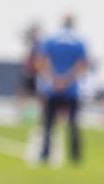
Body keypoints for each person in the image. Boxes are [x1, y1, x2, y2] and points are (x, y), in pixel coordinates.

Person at [37, 14, 89, 165]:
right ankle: (75, 156)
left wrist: (55, 79)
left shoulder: (51, 40)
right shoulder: (79, 41)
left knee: (48, 123)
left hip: (52, 87)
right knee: (73, 123)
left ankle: (45, 154)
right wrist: (68, 79)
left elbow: (41, 62)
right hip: (71, 88)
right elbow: (83, 64)